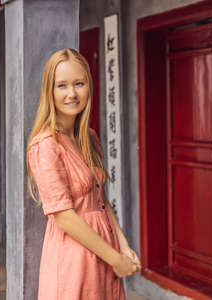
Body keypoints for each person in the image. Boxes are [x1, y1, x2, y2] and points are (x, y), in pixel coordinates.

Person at [26, 48, 141, 300]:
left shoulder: (88, 137)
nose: (72, 93)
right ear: (50, 91)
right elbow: (64, 216)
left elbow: (100, 201)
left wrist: (122, 245)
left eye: (79, 83)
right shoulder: (45, 145)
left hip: (104, 250)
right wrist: (116, 260)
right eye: (62, 86)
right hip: (74, 258)